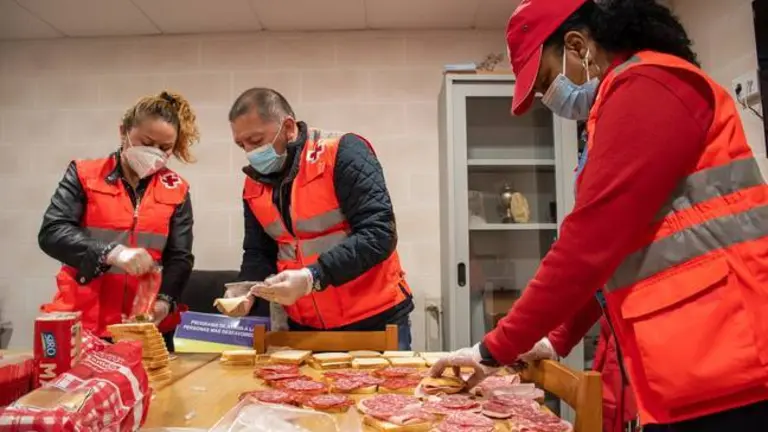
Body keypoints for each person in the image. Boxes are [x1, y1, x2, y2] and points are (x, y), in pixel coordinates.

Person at [431, 0, 768, 430]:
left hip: (731, 356)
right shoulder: (624, 97)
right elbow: (612, 251)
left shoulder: (650, 84)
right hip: (704, 357)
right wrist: (554, 340)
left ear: (577, 45)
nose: (546, 98)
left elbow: (588, 244)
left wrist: (492, 348)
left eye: (547, 80)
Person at [226, 87, 414, 349]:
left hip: (373, 318)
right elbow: (259, 250)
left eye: (256, 141)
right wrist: (246, 289)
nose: (249, 152)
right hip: (305, 325)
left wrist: (313, 277)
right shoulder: (253, 185)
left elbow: (379, 234)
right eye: (241, 144)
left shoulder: (342, 152)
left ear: (289, 128)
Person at [39, 91, 198, 350]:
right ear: (123, 132)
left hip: (143, 325)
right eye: (148, 142)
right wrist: (111, 253)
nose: (155, 153)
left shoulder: (176, 189)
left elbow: (180, 256)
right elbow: (52, 233)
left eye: (165, 148)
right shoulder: (84, 174)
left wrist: (165, 302)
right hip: (85, 318)